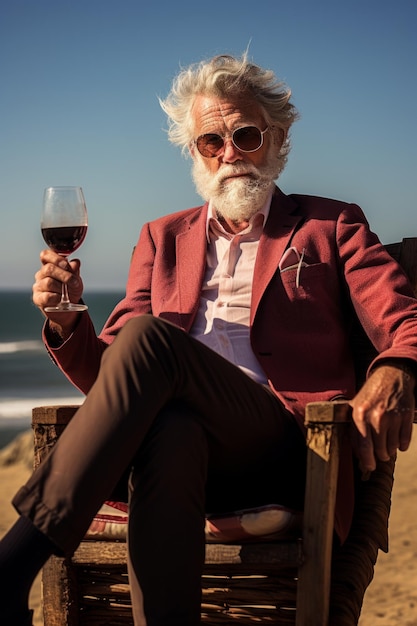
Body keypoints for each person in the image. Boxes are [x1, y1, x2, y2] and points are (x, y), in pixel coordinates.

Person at [1, 53, 416, 626]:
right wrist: (67, 325)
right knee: (170, 428)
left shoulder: (331, 225)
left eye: (245, 134)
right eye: (210, 141)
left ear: (278, 137)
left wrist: (397, 368)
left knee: (149, 340)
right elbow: (114, 375)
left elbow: (404, 317)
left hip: (288, 448)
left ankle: (10, 566)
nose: (230, 154)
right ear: (193, 152)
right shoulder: (161, 238)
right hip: (184, 451)